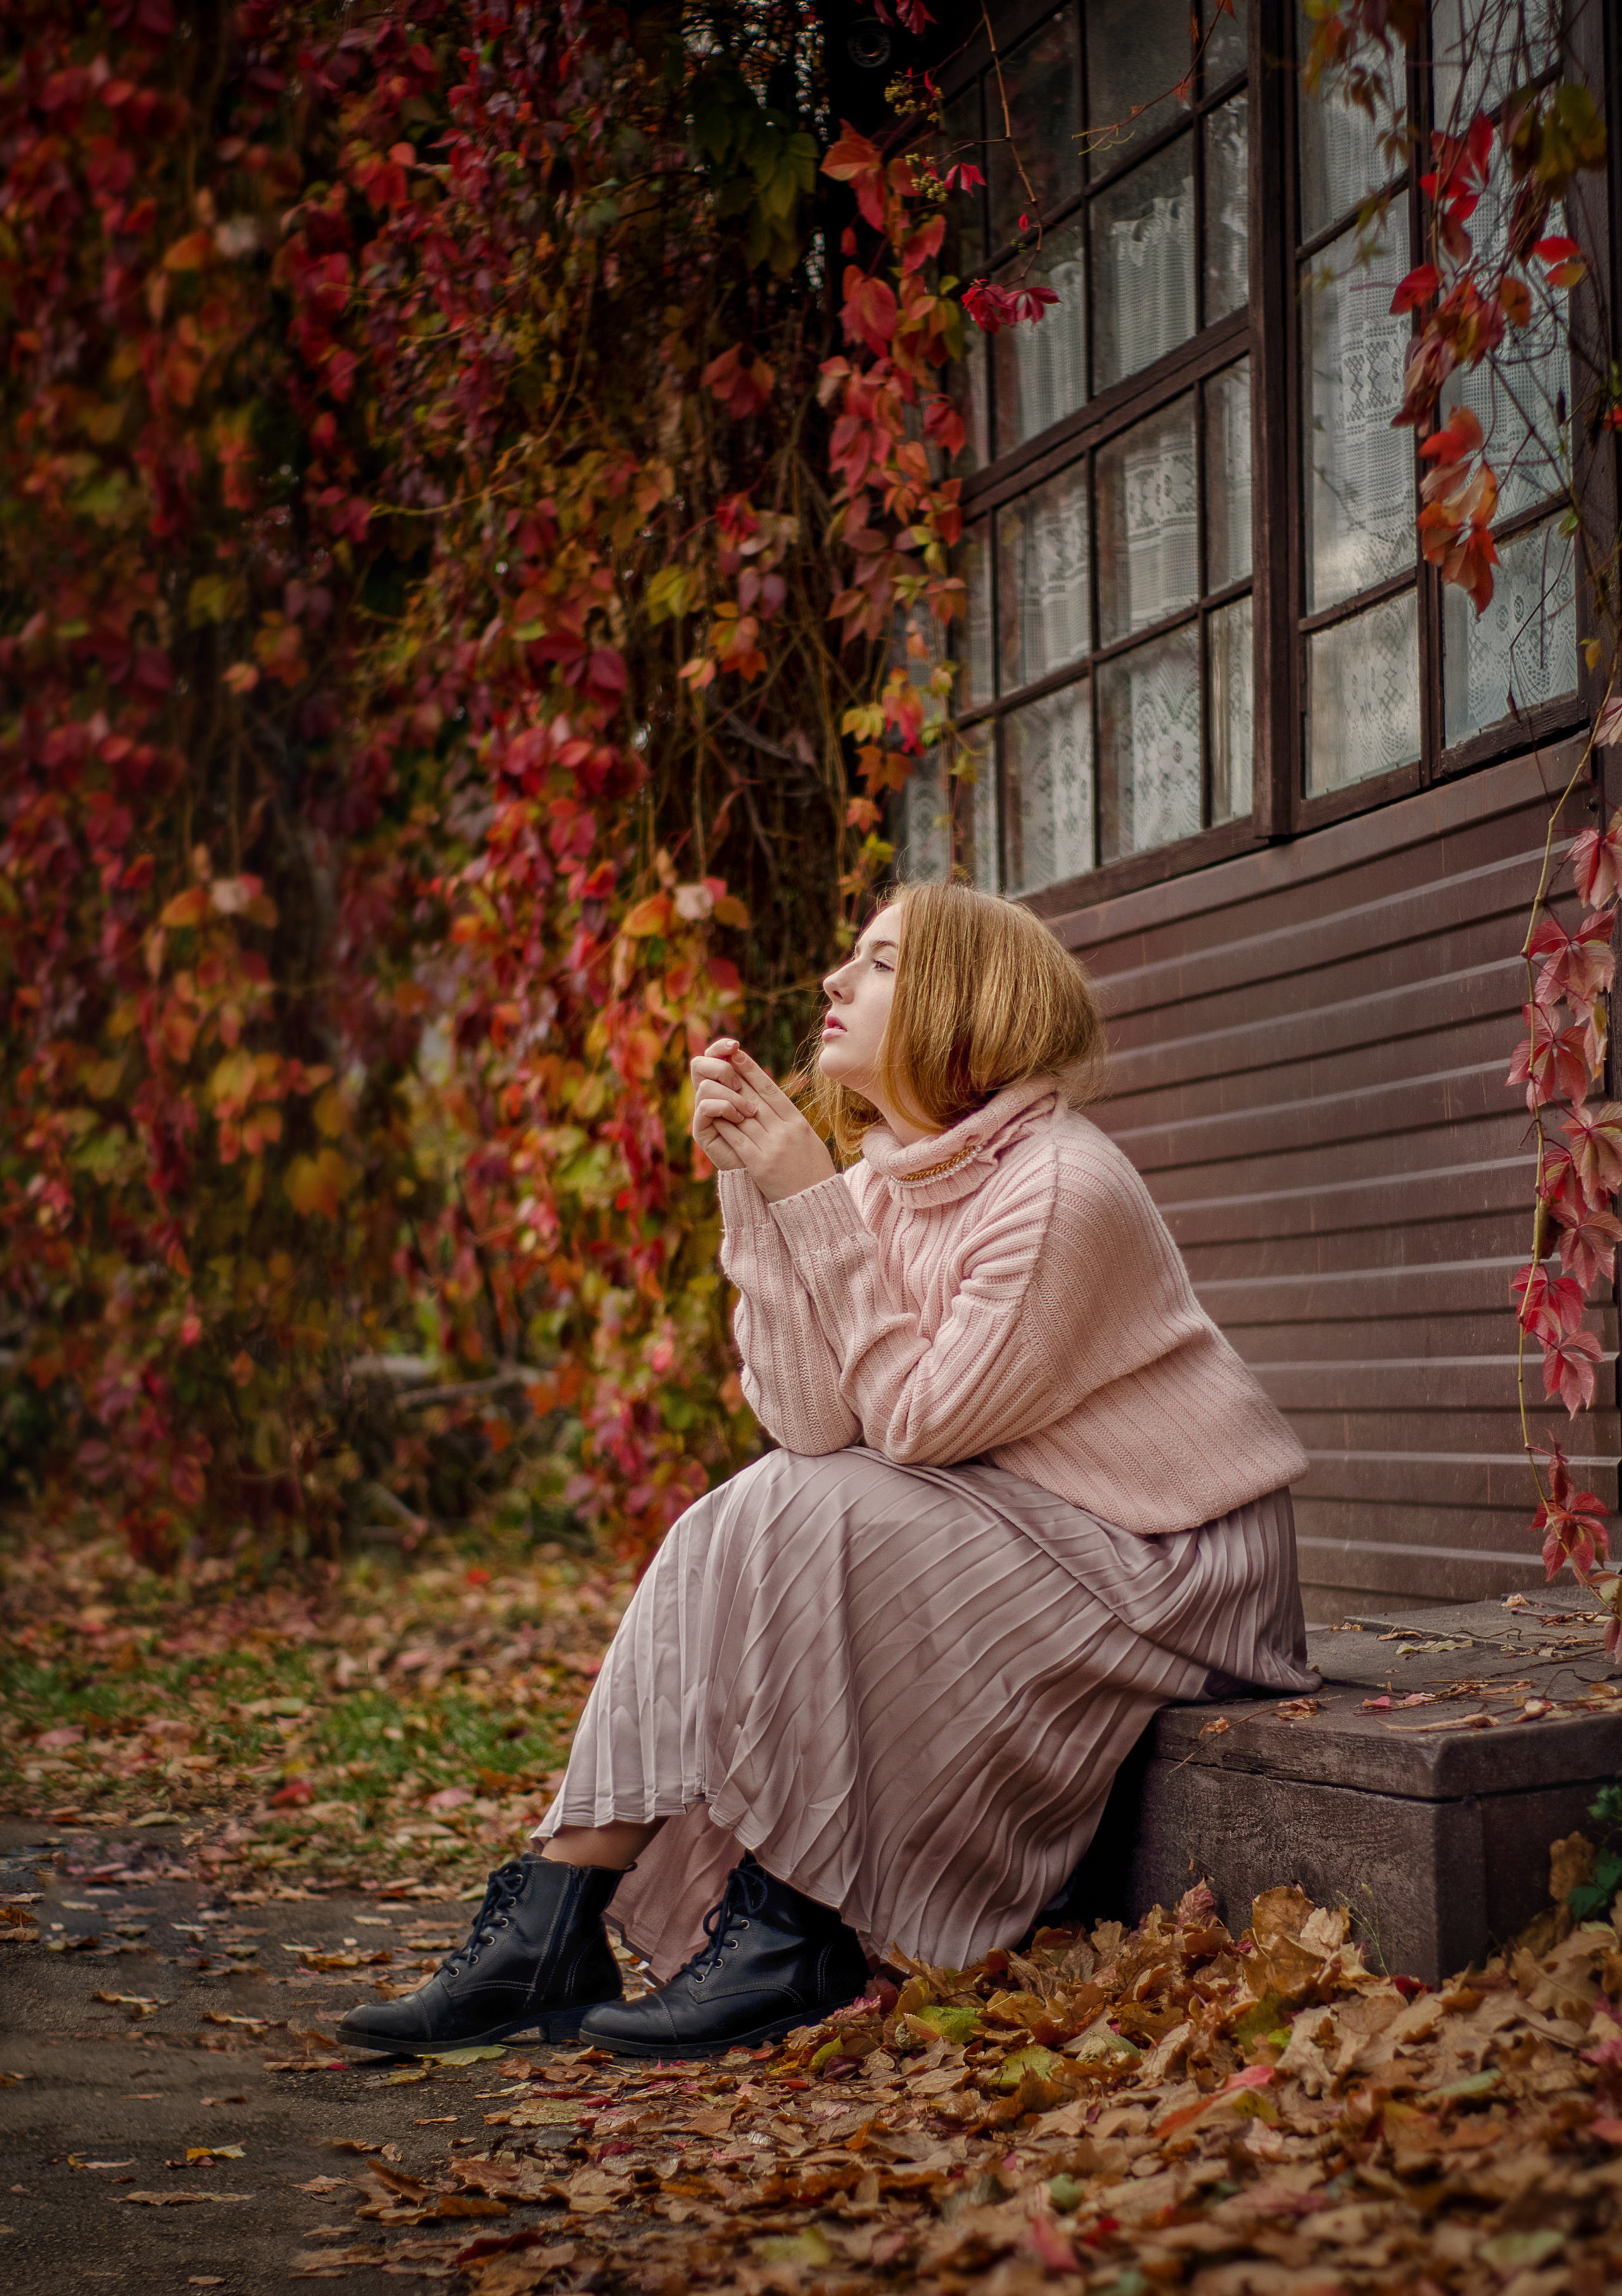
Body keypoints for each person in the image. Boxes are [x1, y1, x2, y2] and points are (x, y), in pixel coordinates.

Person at [338, 882, 1316, 2062]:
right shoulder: (881, 1181)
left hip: (1169, 1559)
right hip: (1022, 1516)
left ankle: (796, 1927)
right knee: (737, 1512)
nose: (835, 983)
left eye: (882, 963)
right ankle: (552, 1918)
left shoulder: (1062, 1184)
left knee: (805, 1507)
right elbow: (808, 1423)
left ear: (966, 1001)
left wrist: (805, 1195)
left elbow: (910, 1424)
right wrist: (756, 1201)